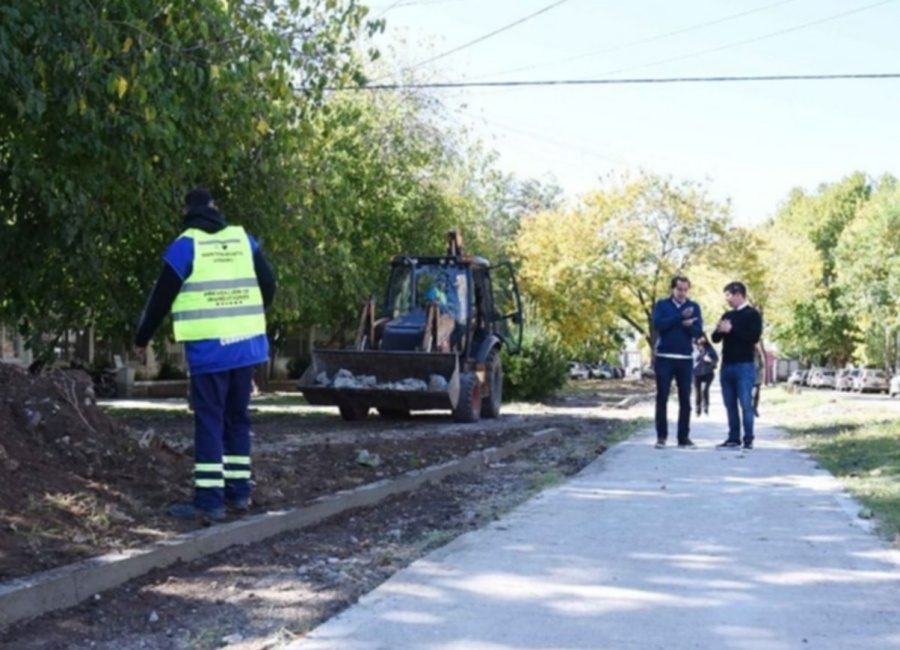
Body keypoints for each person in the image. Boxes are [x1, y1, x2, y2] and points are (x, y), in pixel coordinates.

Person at [133, 188, 277, 521]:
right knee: (237, 419)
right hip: (245, 348)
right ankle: (239, 494)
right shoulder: (244, 240)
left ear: (186, 211)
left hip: (210, 352)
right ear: (215, 209)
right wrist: (248, 316)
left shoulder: (186, 245)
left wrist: (141, 339)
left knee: (210, 421)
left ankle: (209, 501)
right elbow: (269, 286)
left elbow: (160, 299)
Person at [651, 275, 704, 449]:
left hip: (685, 359)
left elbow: (698, 332)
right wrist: (680, 317)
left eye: (685, 290)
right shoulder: (662, 305)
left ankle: (683, 437)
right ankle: (661, 436)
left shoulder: (694, 307)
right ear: (672, 289)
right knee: (662, 397)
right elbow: (659, 325)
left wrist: (690, 326)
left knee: (685, 400)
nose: (682, 293)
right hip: (665, 357)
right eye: (679, 289)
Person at [711, 281, 763, 451]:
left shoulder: (752, 315)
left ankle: (748, 438)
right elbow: (715, 338)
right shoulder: (727, 315)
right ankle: (733, 438)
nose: (727, 300)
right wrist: (720, 330)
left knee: (745, 403)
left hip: (744, 365)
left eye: (729, 296)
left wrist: (732, 330)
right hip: (727, 365)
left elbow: (753, 337)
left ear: (739, 294)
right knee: (729, 403)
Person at [693, 335, 718, 416]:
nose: (701, 339)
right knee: (697, 392)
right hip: (696, 373)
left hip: (708, 373)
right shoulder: (693, 348)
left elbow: (716, 359)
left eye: (703, 337)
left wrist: (710, 360)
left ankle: (706, 407)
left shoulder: (709, 348)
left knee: (705, 390)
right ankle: (698, 409)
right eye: (699, 338)